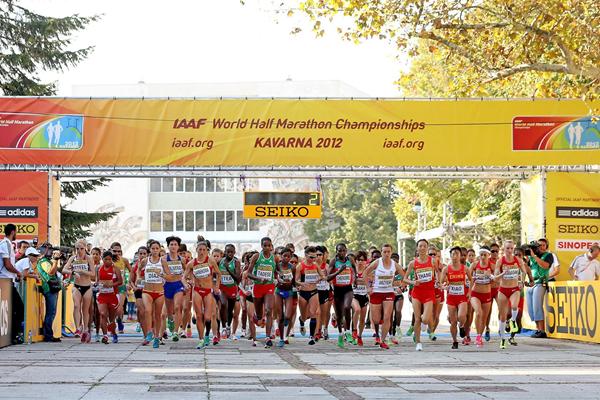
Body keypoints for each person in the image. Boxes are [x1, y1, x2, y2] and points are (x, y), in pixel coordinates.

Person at [495, 240, 534, 349]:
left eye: (511, 248)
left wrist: (521, 281)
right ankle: (503, 339)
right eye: (507, 248)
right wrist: (502, 273)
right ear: (504, 249)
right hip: (503, 289)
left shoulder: (518, 260)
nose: (510, 250)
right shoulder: (500, 261)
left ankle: (512, 321)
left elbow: (524, 271)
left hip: (514, 288)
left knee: (514, 306)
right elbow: (495, 276)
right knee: (502, 316)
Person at [182, 240, 220, 349]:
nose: (202, 252)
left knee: (208, 317)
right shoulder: (192, 263)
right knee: (199, 316)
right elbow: (184, 277)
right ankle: (201, 339)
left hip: (208, 291)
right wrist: (185, 284)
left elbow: (218, 274)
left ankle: (207, 334)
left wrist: (216, 286)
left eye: (204, 250)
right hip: (197, 290)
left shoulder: (210, 260)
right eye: (200, 250)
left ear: (207, 251)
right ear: (196, 250)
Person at [365, 244, 403, 350]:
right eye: (384, 252)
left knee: (387, 316)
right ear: (381, 252)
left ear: (391, 253)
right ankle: (377, 333)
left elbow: (404, 276)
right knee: (376, 319)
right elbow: (365, 273)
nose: (386, 254)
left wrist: (403, 285)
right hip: (376, 292)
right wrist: (368, 287)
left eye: (388, 252)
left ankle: (382, 340)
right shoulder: (377, 262)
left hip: (388, 293)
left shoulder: (394, 264)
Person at [404, 240, 436, 351]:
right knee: (417, 318)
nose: (422, 248)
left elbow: (438, 273)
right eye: (420, 246)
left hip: (429, 292)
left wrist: (439, 282)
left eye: (424, 246)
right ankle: (418, 342)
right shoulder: (413, 263)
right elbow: (405, 278)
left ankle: (424, 323)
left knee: (426, 319)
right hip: (417, 293)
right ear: (417, 248)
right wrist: (413, 282)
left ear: (427, 248)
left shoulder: (432, 261)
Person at [439, 246, 472, 349]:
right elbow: (441, 283)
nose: (455, 256)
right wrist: (444, 286)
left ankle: (461, 326)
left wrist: (470, 292)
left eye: (457, 254)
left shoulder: (465, 268)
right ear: (450, 256)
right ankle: (454, 341)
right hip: (451, 298)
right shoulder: (446, 269)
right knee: (453, 321)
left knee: (462, 316)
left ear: (459, 256)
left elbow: (471, 280)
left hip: (462, 296)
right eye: (453, 254)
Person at [63, 239, 95, 343]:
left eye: (81, 248)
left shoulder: (89, 258)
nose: (79, 251)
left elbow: (93, 274)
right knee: (76, 305)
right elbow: (64, 269)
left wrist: (82, 271)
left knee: (84, 309)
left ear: (85, 248)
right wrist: (72, 272)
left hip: (87, 286)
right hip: (77, 286)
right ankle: (77, 328)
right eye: (77, 249)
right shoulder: (73, 258)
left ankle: (85, 328)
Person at [247, 237, 277, 348]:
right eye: (265, 245)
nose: (267, 247)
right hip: (258, 287)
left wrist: (281, 278)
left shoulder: (274, 258)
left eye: (269, 245)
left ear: (271, 246)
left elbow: (277, 270)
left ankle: (268, 337)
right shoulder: (256, 257)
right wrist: (258, 278)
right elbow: (248, 273)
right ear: (261, 246)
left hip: (269, 287)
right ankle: (257, 316)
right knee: (259, 316)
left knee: (269, 310)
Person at [327, 243, 357, 348]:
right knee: (339, 315)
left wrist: (355, 279)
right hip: (337, 290)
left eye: (344, 250)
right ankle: (340, 334)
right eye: (339, 251)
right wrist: (339, 271)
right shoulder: (334, 261)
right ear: (336, 251)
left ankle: (348, 331)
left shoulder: (350, 260)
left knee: (347, 307)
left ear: (346, 250)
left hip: (348, 288)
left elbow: (354, 268)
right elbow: (328, 278)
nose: (342, 253)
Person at [0, 224, 25, 344]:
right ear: (13, 232)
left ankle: (12, 335)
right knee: (19, 308)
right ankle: (14, 335)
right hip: (4, 281)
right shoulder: (4, 244)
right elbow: (7, 265)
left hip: (9, 281)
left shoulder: (9, 245)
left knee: (13, 309)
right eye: (16, 232)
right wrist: (18, 273)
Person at [296, 246, 325, 345]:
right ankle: (301, 320)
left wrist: (319, 279)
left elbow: (322, 276)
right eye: (311, 257)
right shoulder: (300, 266)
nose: (313, 259)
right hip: (303, 293)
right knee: (304, 316)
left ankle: (312, 336)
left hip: (313, 291)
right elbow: (295, 280)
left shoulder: (315, 265)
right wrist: (301, 284)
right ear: (305, 255)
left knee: (313, 313)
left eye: (315, 257)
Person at [469, 246, 498, 348]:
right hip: (475, 293)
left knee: (484, 318)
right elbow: (466, 277)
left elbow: (497, 281)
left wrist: (491, 276)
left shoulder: (492, 266)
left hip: (487, 294)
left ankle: (479, 336)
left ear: (488, 255)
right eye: (481, 255)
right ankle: (477, 335)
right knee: (478, 312)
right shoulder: (474, 265)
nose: (483, 257)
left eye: (485, 255)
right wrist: (472, 279)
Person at [525, 238, 554, 338]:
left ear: (546, 246)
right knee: (531, 309)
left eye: (543, 245)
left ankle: (542, 330)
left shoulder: (549, 255)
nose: (541, 247)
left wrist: (534, 256)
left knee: (537, 306)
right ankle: (537, 329)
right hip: (531, 284)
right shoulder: (532, 257)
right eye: (539, 245)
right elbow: (527, 268)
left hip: (541, 283)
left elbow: (545, 266)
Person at [140, 240, 166, 348]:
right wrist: (139, 278)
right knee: (147, 310)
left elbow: (169, 275)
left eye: (157, 248)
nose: (155, 251)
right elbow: (138, 271)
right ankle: (149, 332)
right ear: (149, 250)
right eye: (153, 248)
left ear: (160, 249)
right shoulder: (145, 261)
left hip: (159, 292)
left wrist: (161, 275)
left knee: (157, 315)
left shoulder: (163, 262)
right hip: (147, 291)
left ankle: (157, 337)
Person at [36, 243, 62, 342]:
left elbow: (55, 271)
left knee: (52, 312)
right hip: (49, 288)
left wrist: (56, 261)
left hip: (52, 288)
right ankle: (48, 335)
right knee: (50, 313)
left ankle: (49, 334)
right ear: (44, 251)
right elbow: (50, 273)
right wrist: (55, 260)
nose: (52, 252)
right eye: (50, 250)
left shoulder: (47, 261)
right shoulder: (43, 261)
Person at [96, 250, 123, 344]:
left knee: (111, 318)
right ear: (102, 259)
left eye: (109, 259)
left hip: (112, 295)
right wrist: (98, 284)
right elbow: (96, 281)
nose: (108, 261)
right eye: (106, 259)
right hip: (102, 295)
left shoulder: (115, 268)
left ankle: (113, 332)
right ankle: (105, 335)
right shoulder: (99, 268)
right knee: (103, 314)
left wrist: (112, 284)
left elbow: (120, 281)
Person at [162, 236, 186, 341]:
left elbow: (187, 272)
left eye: (175, 244)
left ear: (178, 247)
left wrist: (187, 281)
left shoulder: (182, 259)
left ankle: (176, 332)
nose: (173, 246)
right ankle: (170, 320)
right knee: (169, 311)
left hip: (178, 285)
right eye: (171, 244)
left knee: (177, 307)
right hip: (167, 286)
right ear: (168, 246)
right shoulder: (163, 259)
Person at [218, 244, 241, 340]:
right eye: (228, 252)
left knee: (230, 310)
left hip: (232, 287)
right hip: (223, 287)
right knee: (223, 305)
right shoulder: (220, 261)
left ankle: (228, 326)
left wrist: (228, 269)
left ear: (234, 252)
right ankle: (223, 327)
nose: (230, 253)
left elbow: (237, 279)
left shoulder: (236, 262)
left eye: (232, 252)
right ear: (225, 252)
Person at [274, 247, 296, 347]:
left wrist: (299, 285)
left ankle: (285, 333)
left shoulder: (292, 267)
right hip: (278, 292)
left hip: (289, 292)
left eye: (288, 256)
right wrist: (277, 281)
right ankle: (282, 338)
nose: (286, 258)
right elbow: (273, 278)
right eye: (284, 256)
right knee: (281, 316)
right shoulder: (277, 266)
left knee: (287, 316)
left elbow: (294, 281)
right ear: (281, 256)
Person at [110, 242, 132, 334]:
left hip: (121, 287)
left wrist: (129, 282)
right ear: (111, 250)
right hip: (110, 287)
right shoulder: (108, 260)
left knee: (119, 307)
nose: (117, 253)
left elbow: (132, 271)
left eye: (119, 251)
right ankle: (112, 323)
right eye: (115, 251)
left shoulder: (124, 260)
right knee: (112, 308)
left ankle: (119, 320)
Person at [128, 246, 149, 343]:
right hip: (139, 291)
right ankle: (146, 336)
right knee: (142, 312)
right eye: (140, 253)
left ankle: (153, 332)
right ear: (138, 254)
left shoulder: (151, 265)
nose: (142, 255)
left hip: (149, 291)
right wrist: (134, 287)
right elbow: (130, 281)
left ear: (147, 254)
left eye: (144, 253)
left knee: (150, 312)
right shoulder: (135, 266)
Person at [351, 250, 369, 346]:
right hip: (354, 295)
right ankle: (354, 330)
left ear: (365, 261)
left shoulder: (368, 270)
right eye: (358, 260)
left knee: (362, 319)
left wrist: (359, 281)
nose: (360, 262)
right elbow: (351, 281)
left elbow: (370, 281)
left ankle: (360, 336)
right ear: (355, 260)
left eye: (362, 260)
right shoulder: (353, 270)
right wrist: (361, 281)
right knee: (357, 310)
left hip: (364, 296)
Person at [315, 245, 332, 341]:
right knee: (318, 312)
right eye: (316, 255)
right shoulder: (312, 265)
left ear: (323, 256)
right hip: (315, 291)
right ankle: (318, 331)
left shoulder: (326, 266)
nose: (318, 257)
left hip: (326, 291)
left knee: (325, 312)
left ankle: (324, 328)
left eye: (320, 255)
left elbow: (329, 279)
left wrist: (323, 277)